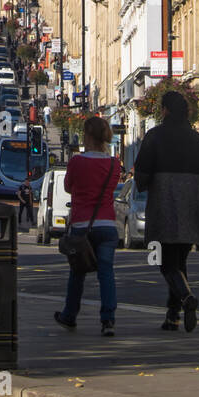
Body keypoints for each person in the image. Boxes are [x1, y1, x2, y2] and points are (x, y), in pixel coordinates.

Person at [133, 91, 199, 333]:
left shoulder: (155, 136)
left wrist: (147, 182)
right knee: (180, 261)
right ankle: (173, 316)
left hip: (165, 202)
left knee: (164, 261)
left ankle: (186, 298)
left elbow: (142, 174)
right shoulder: (197, 140)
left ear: (166, 110)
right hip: (192, 205)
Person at [55, 116, 121, 336]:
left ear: (87, 135)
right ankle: (108, 320)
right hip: (107, 225)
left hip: (82, 225)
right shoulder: (114, 163)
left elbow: (68, 186)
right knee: (106, 273)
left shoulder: (76, 162)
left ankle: (69, 315)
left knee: (77, 273)